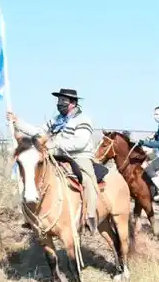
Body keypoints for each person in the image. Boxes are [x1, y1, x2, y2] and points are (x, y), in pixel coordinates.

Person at [8, 88, 99, 233]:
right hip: (56, 155)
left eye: (63, 101)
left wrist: (55, 145)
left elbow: (80, 142)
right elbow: (38, 131)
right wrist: (18, 122)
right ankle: (33, 217)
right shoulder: (57, 120)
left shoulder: (82, 120)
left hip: (79, 156)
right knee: (36, 175)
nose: (60, 103)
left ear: (73, 103)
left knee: (88, 180)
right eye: (59, 100)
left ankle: (90, 216)